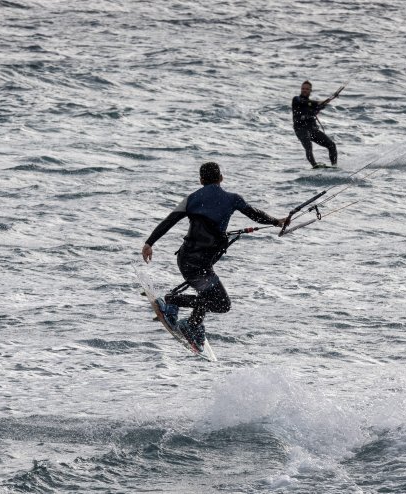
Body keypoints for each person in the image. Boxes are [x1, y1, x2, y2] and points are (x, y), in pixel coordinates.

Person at [141, 162, 288, 349]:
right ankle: (175, 304)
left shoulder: (191, 199)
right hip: (200, 265)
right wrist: (277, 222)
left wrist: (149, 243)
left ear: (201, 180)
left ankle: (193, 324)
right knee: (221, 304)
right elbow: (255, 214)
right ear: (221, 178)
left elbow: (168, 221)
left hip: (187, 260)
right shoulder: (233, 199)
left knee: (208, 295)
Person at [292, 80, 337, 168]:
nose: (304, 90)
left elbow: (318, 107)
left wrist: (328, 101)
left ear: (310, 91)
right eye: (303, 88)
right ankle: (314, 165)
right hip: (300, 129)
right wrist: (319, 103)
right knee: (308, 147)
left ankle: (334, 167)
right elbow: (305, 102)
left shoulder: (312, 104)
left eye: (307, 89)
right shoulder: (296, 99)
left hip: (312, 129)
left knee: (332, 145)